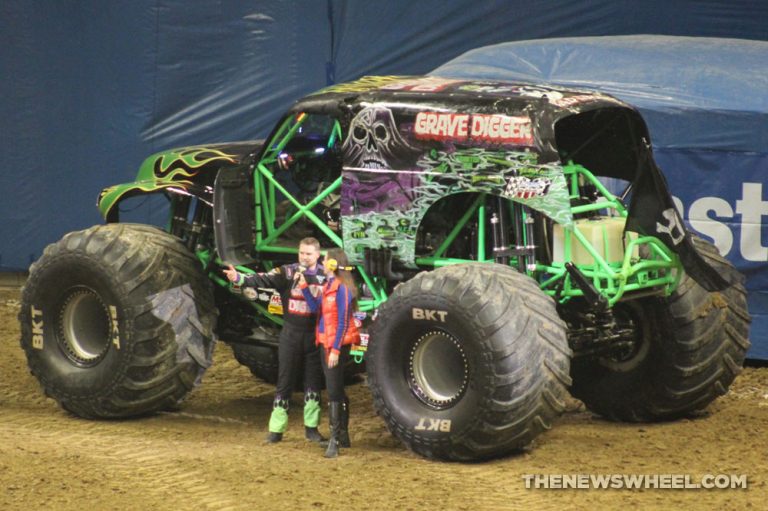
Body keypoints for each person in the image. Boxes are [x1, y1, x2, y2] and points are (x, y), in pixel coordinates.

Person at [223, 237, 326, 444]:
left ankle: (312, 429)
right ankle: (276, 430)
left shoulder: (326, 275)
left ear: (317, 255)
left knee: (313, 383)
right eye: (301, 253)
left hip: (314, 336)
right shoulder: (287, 272)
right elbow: (262, 279)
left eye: (308, 253)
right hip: (290, 335)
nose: (304, 257)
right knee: (284, 381)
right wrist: (239, 278)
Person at [297, 248, 360, 458]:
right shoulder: (330, 285)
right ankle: (342, 435)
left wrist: (335, 349)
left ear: (333, 264)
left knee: (333, 390)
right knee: (335, 388)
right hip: (325, 342)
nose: (322, 262)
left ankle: (335, 440)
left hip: (334, 345)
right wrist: (305, 288)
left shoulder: (341, 288)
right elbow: (317, 309)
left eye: (325, 260)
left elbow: (342, 321)